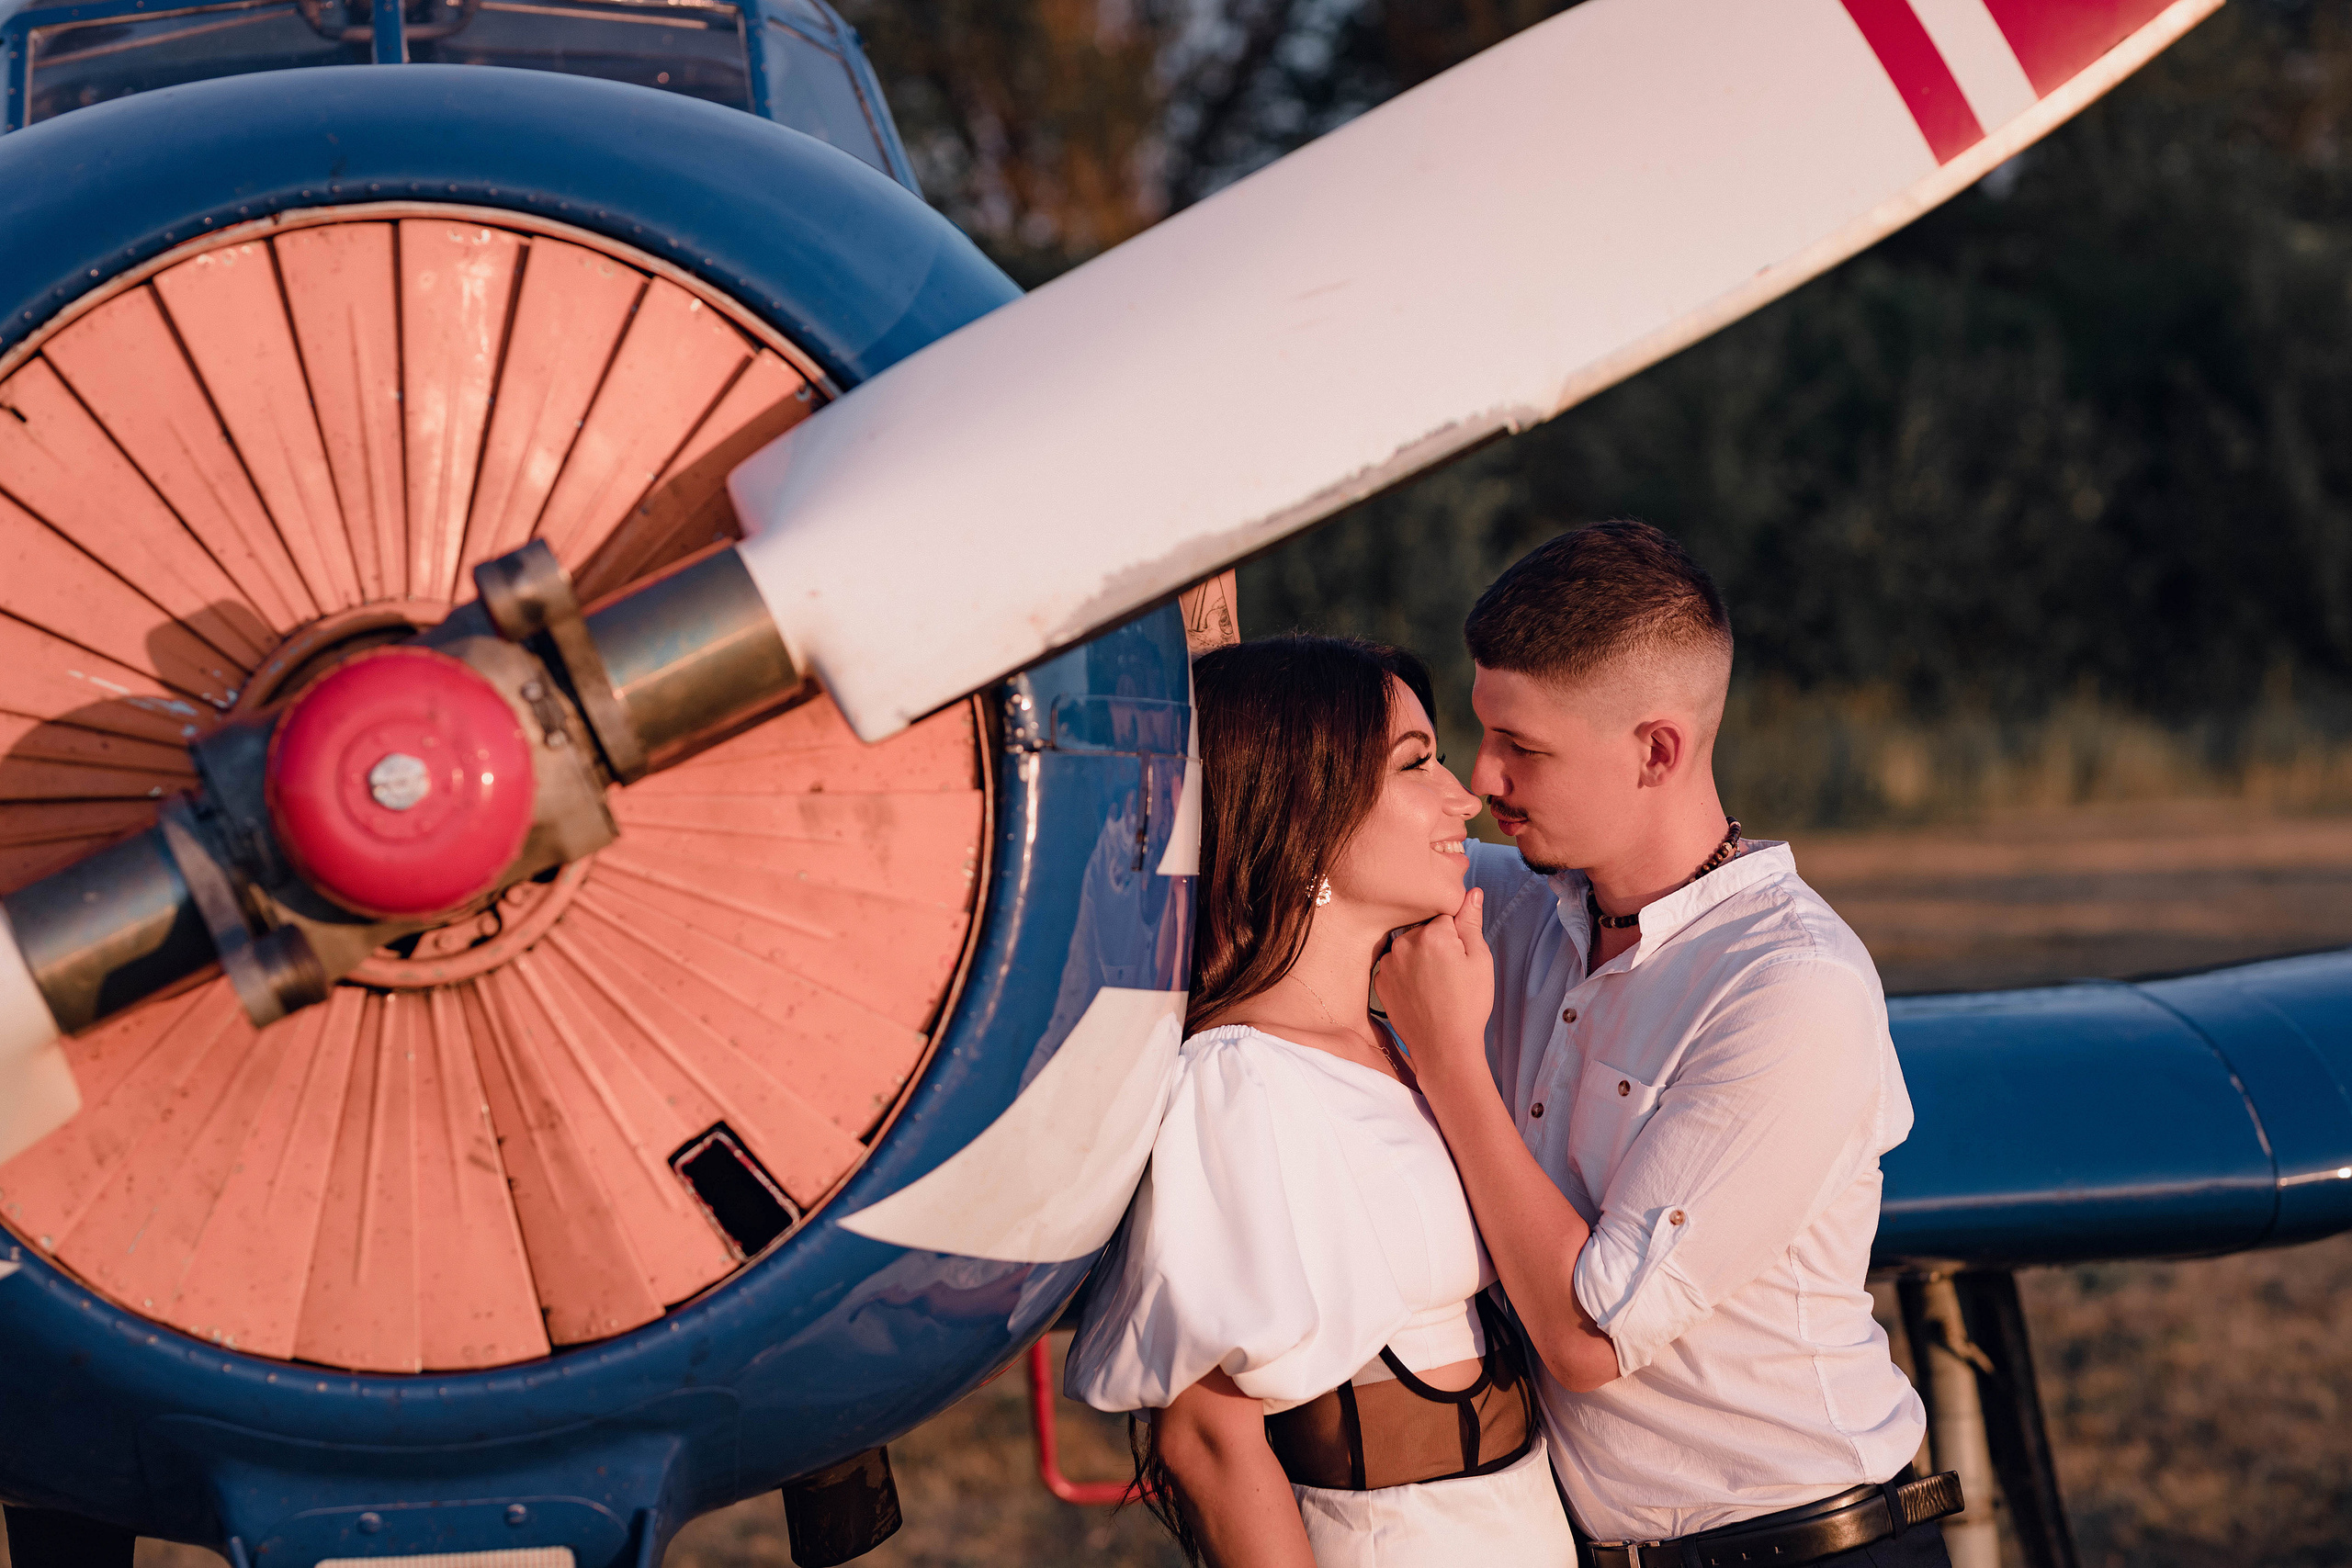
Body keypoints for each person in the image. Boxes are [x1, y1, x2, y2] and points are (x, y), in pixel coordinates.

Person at [1381, 520, 1959, 1566]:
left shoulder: (1791, 988)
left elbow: (1585, 1337)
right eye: (1480, 733)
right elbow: (1312, 837)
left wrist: (1448, 1061)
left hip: (1806, 1544)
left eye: (1524, 748)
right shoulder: (1507, 906)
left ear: (1657, 750)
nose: (1481, 778)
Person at [1066, 636, 1577, 1568]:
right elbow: (1208, 1443)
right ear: (1308, 814)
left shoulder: (1390, 1045)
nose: (1462, 796)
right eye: (1416, 764)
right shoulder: (1240, 1083)